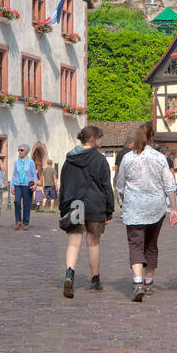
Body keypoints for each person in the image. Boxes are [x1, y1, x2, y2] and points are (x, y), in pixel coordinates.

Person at [114, 122, 177, 301]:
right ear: (152, 137)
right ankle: (148, 281)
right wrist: (173, 208)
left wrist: (124, 202)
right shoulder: (160, 158)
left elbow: (120, 186)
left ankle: (137, 281)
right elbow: (169, 186)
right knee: (151, 244)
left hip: (134, 207)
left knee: (135, 244)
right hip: (155, 207)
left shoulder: (127, 158)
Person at [58, 124, 115, 298]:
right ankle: (95, 280)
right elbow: (106, 187)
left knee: (73, 243)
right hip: (95, 205)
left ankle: (69, 274)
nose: (101, 141)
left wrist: (63, 207)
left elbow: (64, 184)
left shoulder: (69, 159)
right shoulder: (99, 160)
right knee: (93, 243)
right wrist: (109, 210)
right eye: (100, 138)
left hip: (74, 203)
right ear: (93, 139)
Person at [12, 143, 37, 229]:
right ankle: (18, 221)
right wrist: (12, 186)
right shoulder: (17, 162)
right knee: (17, 202)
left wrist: (35, 184)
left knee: (27, 204)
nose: (20, 151)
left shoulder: (31, 162)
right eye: (19, 150)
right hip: (18, 185)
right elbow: (14, 174)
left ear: (26, 151)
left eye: (21, 150)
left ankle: (26, 223)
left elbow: (34, 174)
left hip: (27, 185)